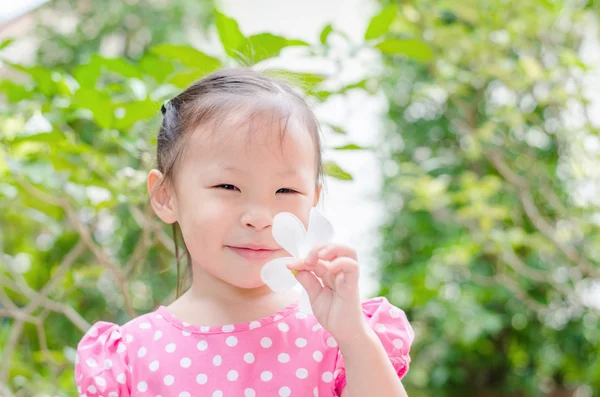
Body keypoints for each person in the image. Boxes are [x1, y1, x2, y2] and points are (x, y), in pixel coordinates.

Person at [75, 68, 414, 397]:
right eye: (228, 186)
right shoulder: (131, 358)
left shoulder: (340, 340)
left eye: (285, 191)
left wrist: (354, 337)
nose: (259, 218)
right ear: (165, 195)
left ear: (314, 200)